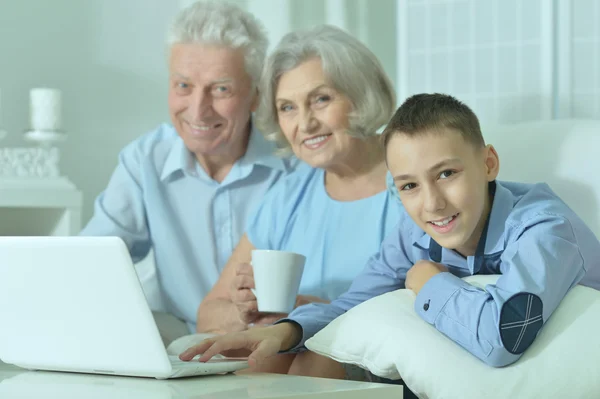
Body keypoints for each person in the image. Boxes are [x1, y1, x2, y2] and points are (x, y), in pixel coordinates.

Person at [180, 93, 600, 372]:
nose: (432, 203)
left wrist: (426, 279)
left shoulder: (545, 229)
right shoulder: (414, 235)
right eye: (410, 186)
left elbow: (502, 337)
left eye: (447, 173)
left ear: (488, 163)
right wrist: (285, 330)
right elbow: (355, 303)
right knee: (311, 356)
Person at [79, 1, 298, 341]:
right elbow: (90, 262)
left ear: (255, 96)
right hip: (180, 346)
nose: (198, 110)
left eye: (221, 89)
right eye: (183, 86)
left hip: (271, 346)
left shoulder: (293, 165)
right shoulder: (144, 161)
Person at [192, 25, 402, 375]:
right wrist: (247, 312)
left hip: (375, 361)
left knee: (316, 358)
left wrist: (309, 314)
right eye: (287, 107)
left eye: (321, 99)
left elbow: (426, 300)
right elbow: (208, 313)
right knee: (266, 357)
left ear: (361, 95)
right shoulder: (288, 194)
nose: (304, 123)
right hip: (292, 358)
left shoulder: (411, 178)